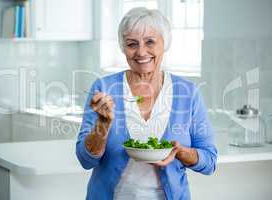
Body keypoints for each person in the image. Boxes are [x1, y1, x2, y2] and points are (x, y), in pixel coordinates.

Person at [76, 7, 217, 200]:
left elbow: (209, 162)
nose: (141, 52)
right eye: (132, 44)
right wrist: (103, 124)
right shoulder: (104, 87)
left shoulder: (188, 93)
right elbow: (85, 160)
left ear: (164, 43)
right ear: (122, 47)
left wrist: (179, 152)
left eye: (150, 42)